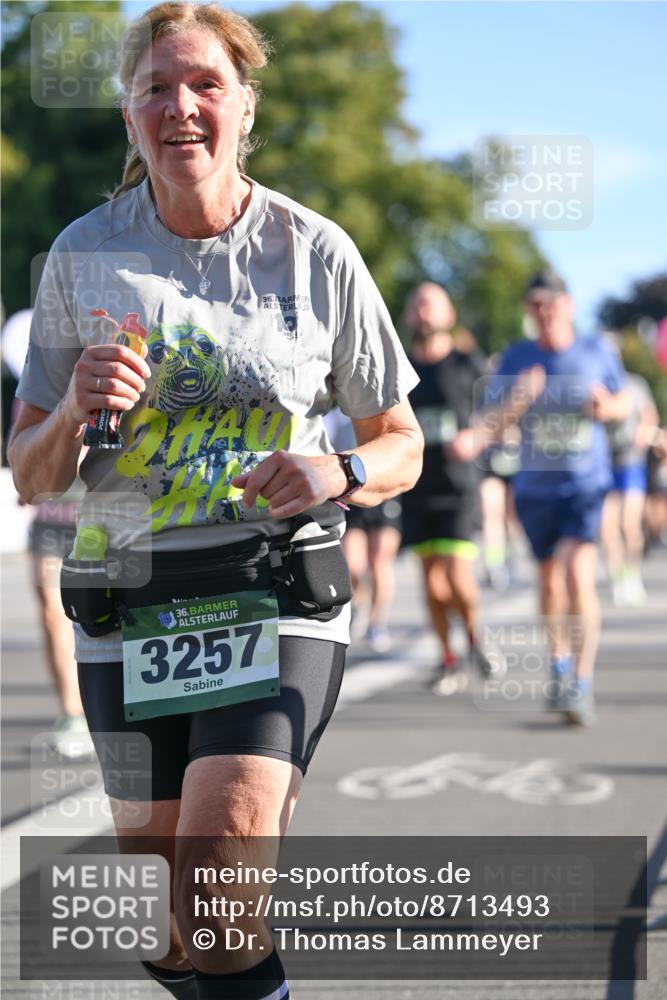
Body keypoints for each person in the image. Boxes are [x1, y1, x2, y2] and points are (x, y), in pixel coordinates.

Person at [8, 5, 423, 999]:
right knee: (171, 925)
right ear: (128, 116)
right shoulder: (82, 253)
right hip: (128, 594)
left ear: (245, 104)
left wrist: (339, 471)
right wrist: (72, 407)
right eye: (156, 87)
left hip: (271, 587)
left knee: (220, 879)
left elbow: (398, 440)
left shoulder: (314, 252)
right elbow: (29, 472)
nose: (180, 106)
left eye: (204, 84)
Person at [487, 270, 629, 726]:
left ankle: (581, 682)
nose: (544, 312)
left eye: (550, 303)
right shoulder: (517, 356)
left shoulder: (595, 350)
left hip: (585, 484)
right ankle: (559, 664)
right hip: (534, 488)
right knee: (549, 583)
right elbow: (491, 424)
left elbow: (626, 403)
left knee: (577, 574)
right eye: (535, 305)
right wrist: (518, 399)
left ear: (567, 304)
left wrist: (608, 408)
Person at [401, 282, 501, 695]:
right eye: (418, 305)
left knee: (457, 578)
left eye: (432, 305)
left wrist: (477, 435)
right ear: (409, 317)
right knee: (432, 583)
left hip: (459, 486)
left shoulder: (467, 363)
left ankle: (477, 637)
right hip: (417, 488)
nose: (424, 313)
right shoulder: (401, 367)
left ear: (448, 315)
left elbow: (496, 412)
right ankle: (448, 658)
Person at [3, 308, 93, 758]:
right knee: (51, 615)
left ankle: (112, 710)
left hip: (96, 515)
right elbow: (22, 453)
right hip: (50, 521)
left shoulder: (96, 372)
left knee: (107, 617)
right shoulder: (29, 389)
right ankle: (72, 714)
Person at [324, 406, 402, 652]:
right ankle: (360, 602)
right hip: (351, 492)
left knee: (380, 560)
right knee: (353, 564)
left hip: (383, 490)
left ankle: (377, 623)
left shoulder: (381, 405)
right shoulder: (332, 412)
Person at [601, 369, 659, 605]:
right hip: (604, 464)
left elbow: (649, 414)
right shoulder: (595, 383)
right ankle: (617, 578)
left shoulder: (635, 383)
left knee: (629, 524)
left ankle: (632, 574)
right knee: (607, 529)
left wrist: (643, 432)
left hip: (631, 463)